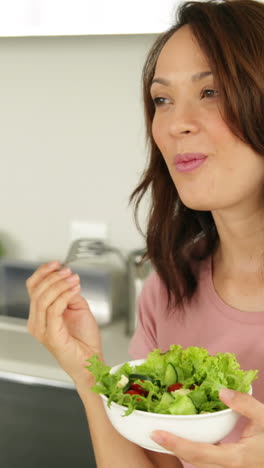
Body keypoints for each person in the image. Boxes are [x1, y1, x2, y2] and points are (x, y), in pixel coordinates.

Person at [26, 0, 264, 466]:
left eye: (211, 92)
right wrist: (90, 373)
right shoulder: (167, 292)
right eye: (162, 100)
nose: (177, 124)